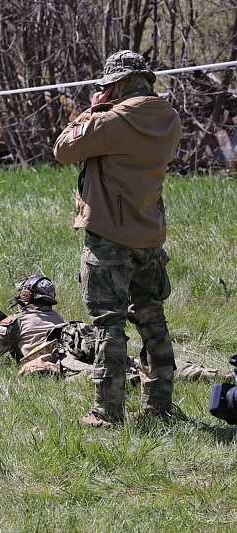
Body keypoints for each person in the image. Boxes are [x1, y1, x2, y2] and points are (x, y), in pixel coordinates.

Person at [53, 50, 182, 427]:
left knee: (109, 324)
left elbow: (63, 150)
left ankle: (107, 411)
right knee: (153, 320)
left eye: (109, 85)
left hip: (109, 237)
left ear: (118, 84)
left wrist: (92, 110)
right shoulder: (170, 118)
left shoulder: (109, 120)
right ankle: (159, 406)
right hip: (150, 234)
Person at [0, 274, 232, 382]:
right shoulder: (56, 316)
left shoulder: (15, 322)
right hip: (87, 348)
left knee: (111, 378)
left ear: (26, 297)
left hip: (64, 360)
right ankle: (216, 374)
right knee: (149, 365)